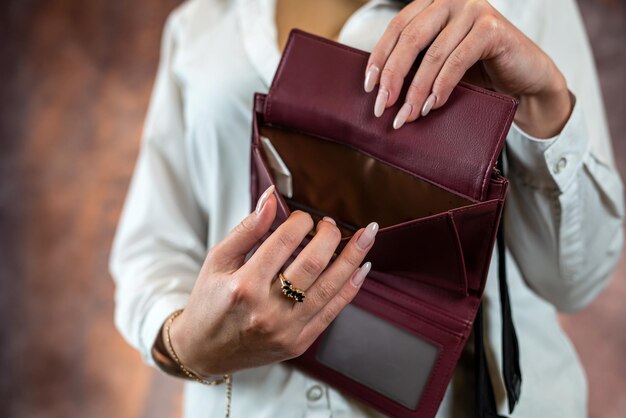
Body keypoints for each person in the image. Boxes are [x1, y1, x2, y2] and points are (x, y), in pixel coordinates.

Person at [109, 0, 625, 417]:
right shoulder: (200, 22)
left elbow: (574, 282)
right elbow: (151, 251)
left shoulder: (519, 6)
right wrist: (188, 345)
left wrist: (546, 102)